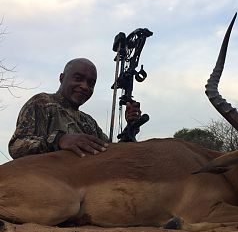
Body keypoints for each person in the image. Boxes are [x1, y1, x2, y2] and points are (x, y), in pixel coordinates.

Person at [9, 58, 141, 159]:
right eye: (78, 78)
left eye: (91, 83)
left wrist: (131, 127)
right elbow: (16, 146)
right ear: (62, 78)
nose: (84, 86)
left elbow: (108, 154)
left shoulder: (89, 122)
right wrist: (59, 140)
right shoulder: (41, 103)